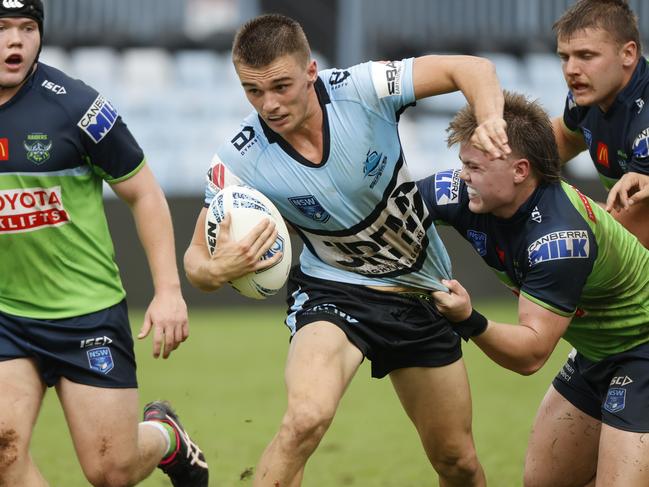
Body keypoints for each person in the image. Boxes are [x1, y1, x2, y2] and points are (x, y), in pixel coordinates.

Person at [184, 13, 511, 487]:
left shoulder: (364, 89)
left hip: (420, 291)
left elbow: (474, 69)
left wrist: (490, 119)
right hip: (335, 290)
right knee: (304, 420)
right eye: (253, 92)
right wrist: (215, 272)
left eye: (281, 86)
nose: (269, 104)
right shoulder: (239, 161)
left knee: (457, 462)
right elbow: (195, 259)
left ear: (311, 72)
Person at [0, 2, 207, 486]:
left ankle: (167, 437)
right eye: (3, 29)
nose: (15, 41)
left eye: (27, 28)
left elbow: (146, 194)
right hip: (8, 314)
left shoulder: (77, 107)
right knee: (3, 453)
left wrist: (168, 291)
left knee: (110, 471)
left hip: (85, 314)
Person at [417, 91, 649, 487]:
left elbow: (530, 354)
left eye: (475, 166)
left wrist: (469, 319)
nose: (463, 175)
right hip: (597, 352)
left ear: (520, 170)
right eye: (462, 164)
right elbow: (388, 214)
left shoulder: (559, 239)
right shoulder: (463, 191)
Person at [551, 0, 649, 247]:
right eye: (565, 57)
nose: (571, 69)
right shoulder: (586, 99)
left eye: (586, 56)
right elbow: (563, 138)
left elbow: (625, 244)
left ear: (628, 53)